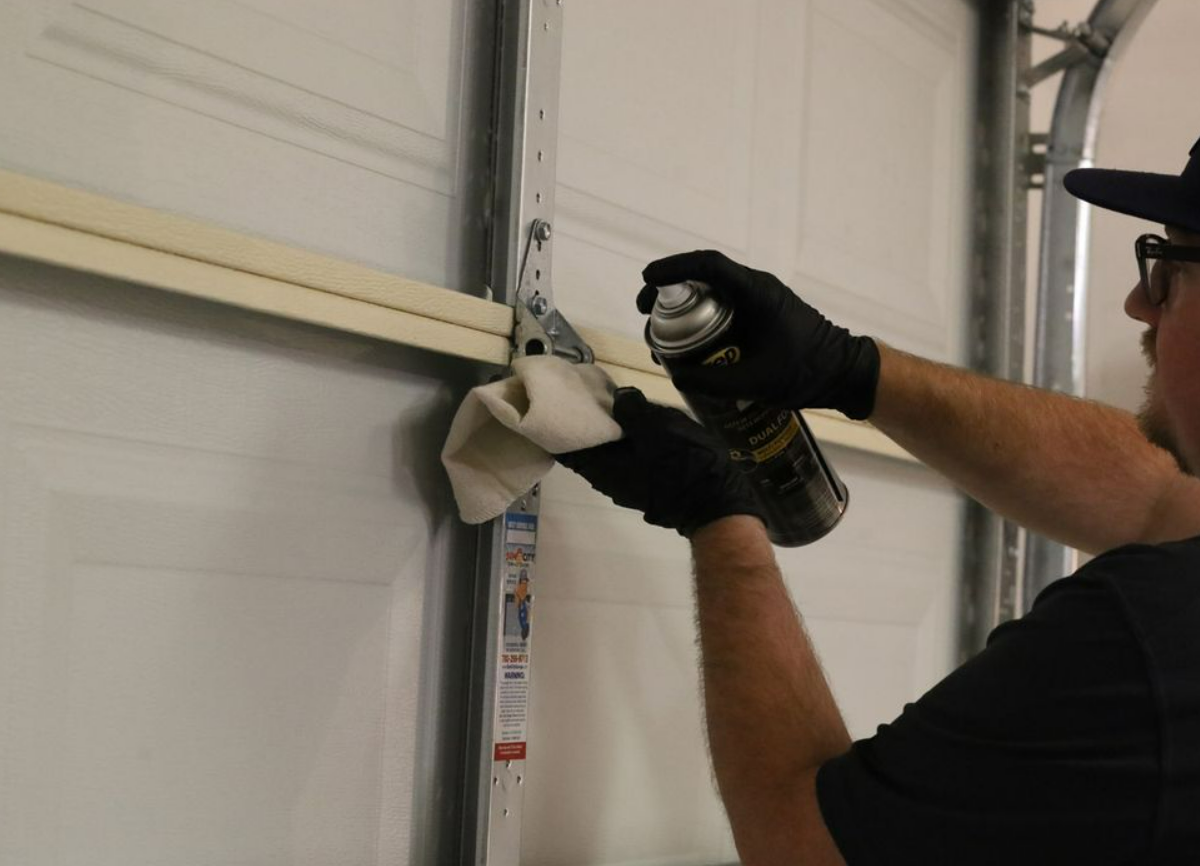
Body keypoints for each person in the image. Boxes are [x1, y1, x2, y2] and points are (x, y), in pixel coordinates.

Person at [555, 136, 1200, 864]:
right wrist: (850, 369)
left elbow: (802, 845)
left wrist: (719, 521)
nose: (1139, 303)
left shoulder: (1150, 639)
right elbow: (1157, 495)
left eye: (1168, 270)